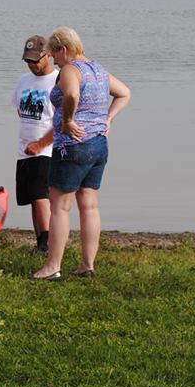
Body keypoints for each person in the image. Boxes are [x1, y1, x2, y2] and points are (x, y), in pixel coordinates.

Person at [32, 27, 131, 280]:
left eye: (54, 53)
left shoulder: (70, 70)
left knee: (60, 208)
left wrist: (67, 120)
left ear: (64, 49)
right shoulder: (97, 69)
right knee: (89, 206)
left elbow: (72, 93)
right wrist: (108, 118)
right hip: (98, 145)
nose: (53, 59)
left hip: (72, 147)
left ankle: (52, 266)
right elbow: (124, 93)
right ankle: (87, 265)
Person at [11, 35, 59, 254]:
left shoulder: (59, 80)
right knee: (32, 197)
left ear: (48, 54)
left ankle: (47, 244)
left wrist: (41, 144)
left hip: (47, 149)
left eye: (36, 61)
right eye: (28, 61)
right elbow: (19, 108)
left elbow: (64, 120)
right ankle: (40, 240)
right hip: (25, 149)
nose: (32, 66)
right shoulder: (24, 80)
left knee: (41, 196)